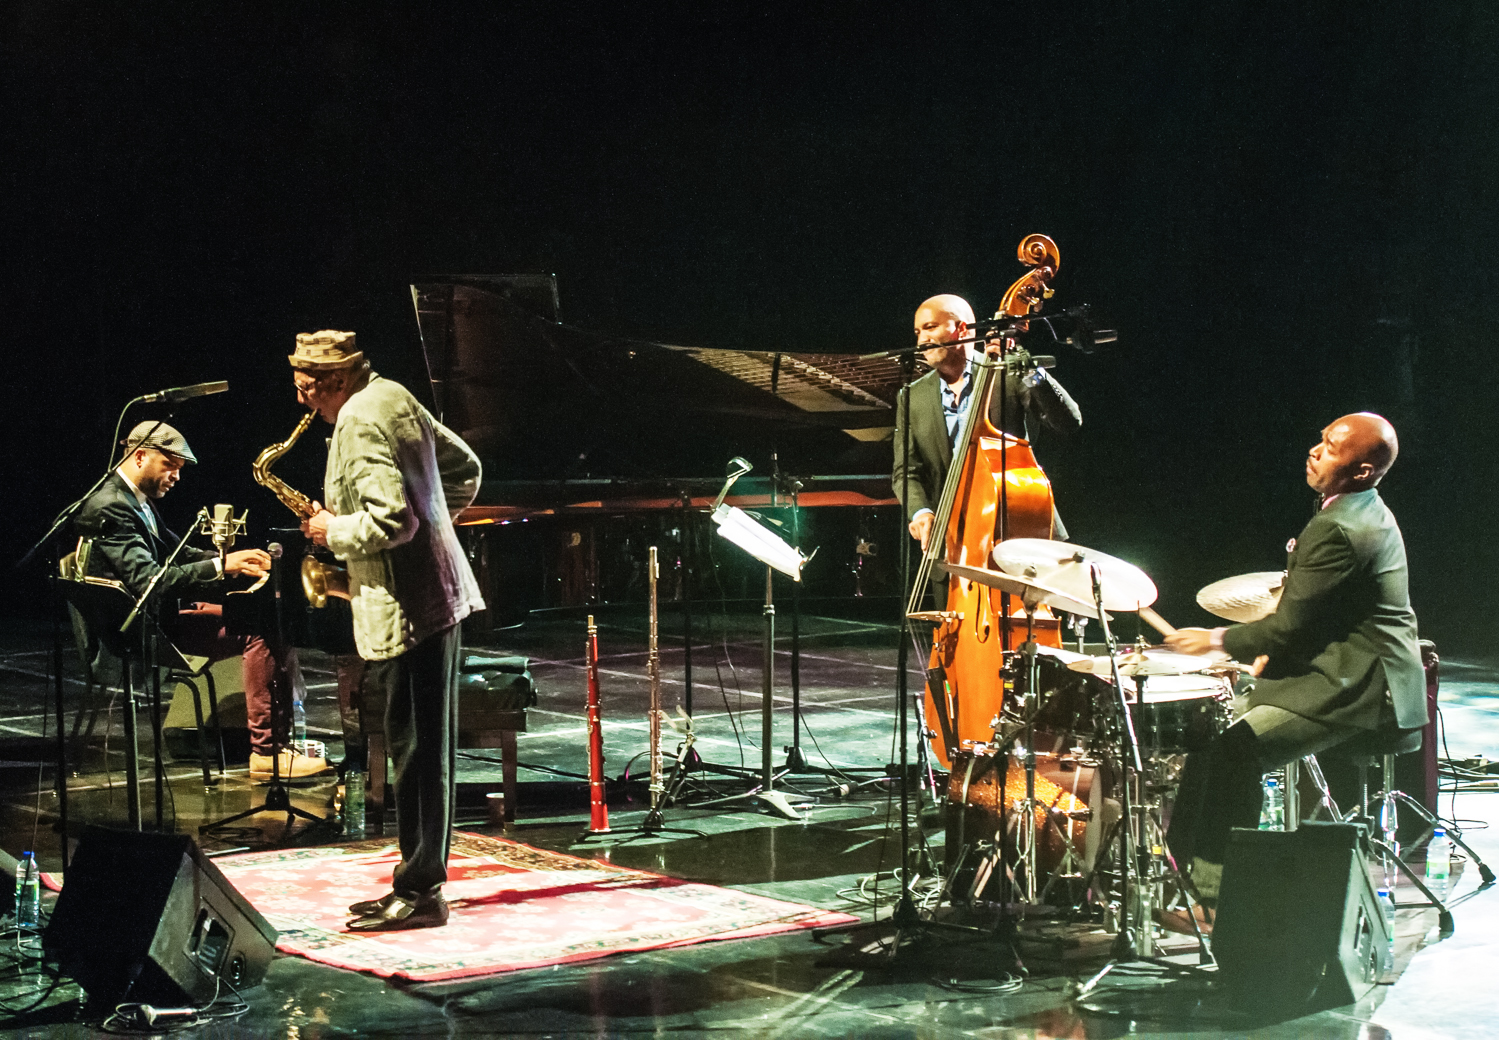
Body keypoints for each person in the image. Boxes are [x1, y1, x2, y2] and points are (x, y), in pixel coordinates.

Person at [1160, 412, 1425, 932]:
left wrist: (1213, 640)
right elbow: (1313, 618)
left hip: (1364, 686)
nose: (1315, 451)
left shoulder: (1339, 527)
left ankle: (1217, 901)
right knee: (1214, 737)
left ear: (1365, 470)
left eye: (1331, 447)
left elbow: (1286, 631)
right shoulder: (1356, 508)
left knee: (1231, 750)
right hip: (1342, 670)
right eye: (1321, 440)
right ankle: (1186, 876)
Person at [289, 330, 484, 932]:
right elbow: (466, 467)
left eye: (305, 389)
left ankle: (422, 891)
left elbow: (389, 520)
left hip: (409, 608)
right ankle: (415, 879)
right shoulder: (393, 394)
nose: (301, 403)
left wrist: (329, 533)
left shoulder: (356, 419)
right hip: (431, 596)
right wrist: (435, 526)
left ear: (334, 381)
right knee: (417, 750)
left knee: (418, 754)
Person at [74, 422, 330, 780]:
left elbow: (177, 553)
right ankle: (268, 753)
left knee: (262, 616)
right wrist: (221, 564)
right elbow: (150, 581)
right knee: (261, 628)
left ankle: (279, 744)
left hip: (160, 617)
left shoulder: (133, 500)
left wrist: (235, 562)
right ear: (140, 455)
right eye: (171, 465)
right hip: (135, 632)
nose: (177, 475)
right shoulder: (111, 506)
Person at [891, 294, 1081, 551]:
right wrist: (921, 512)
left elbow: (1068, 422)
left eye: (931, 327)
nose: (922, 339)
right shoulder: (913, 396)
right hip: (953, 543)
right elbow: (906, 472)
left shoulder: (1008, 371)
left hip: (1017, 530)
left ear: (960, 329)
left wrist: (1026, 366)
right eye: (918, 331)